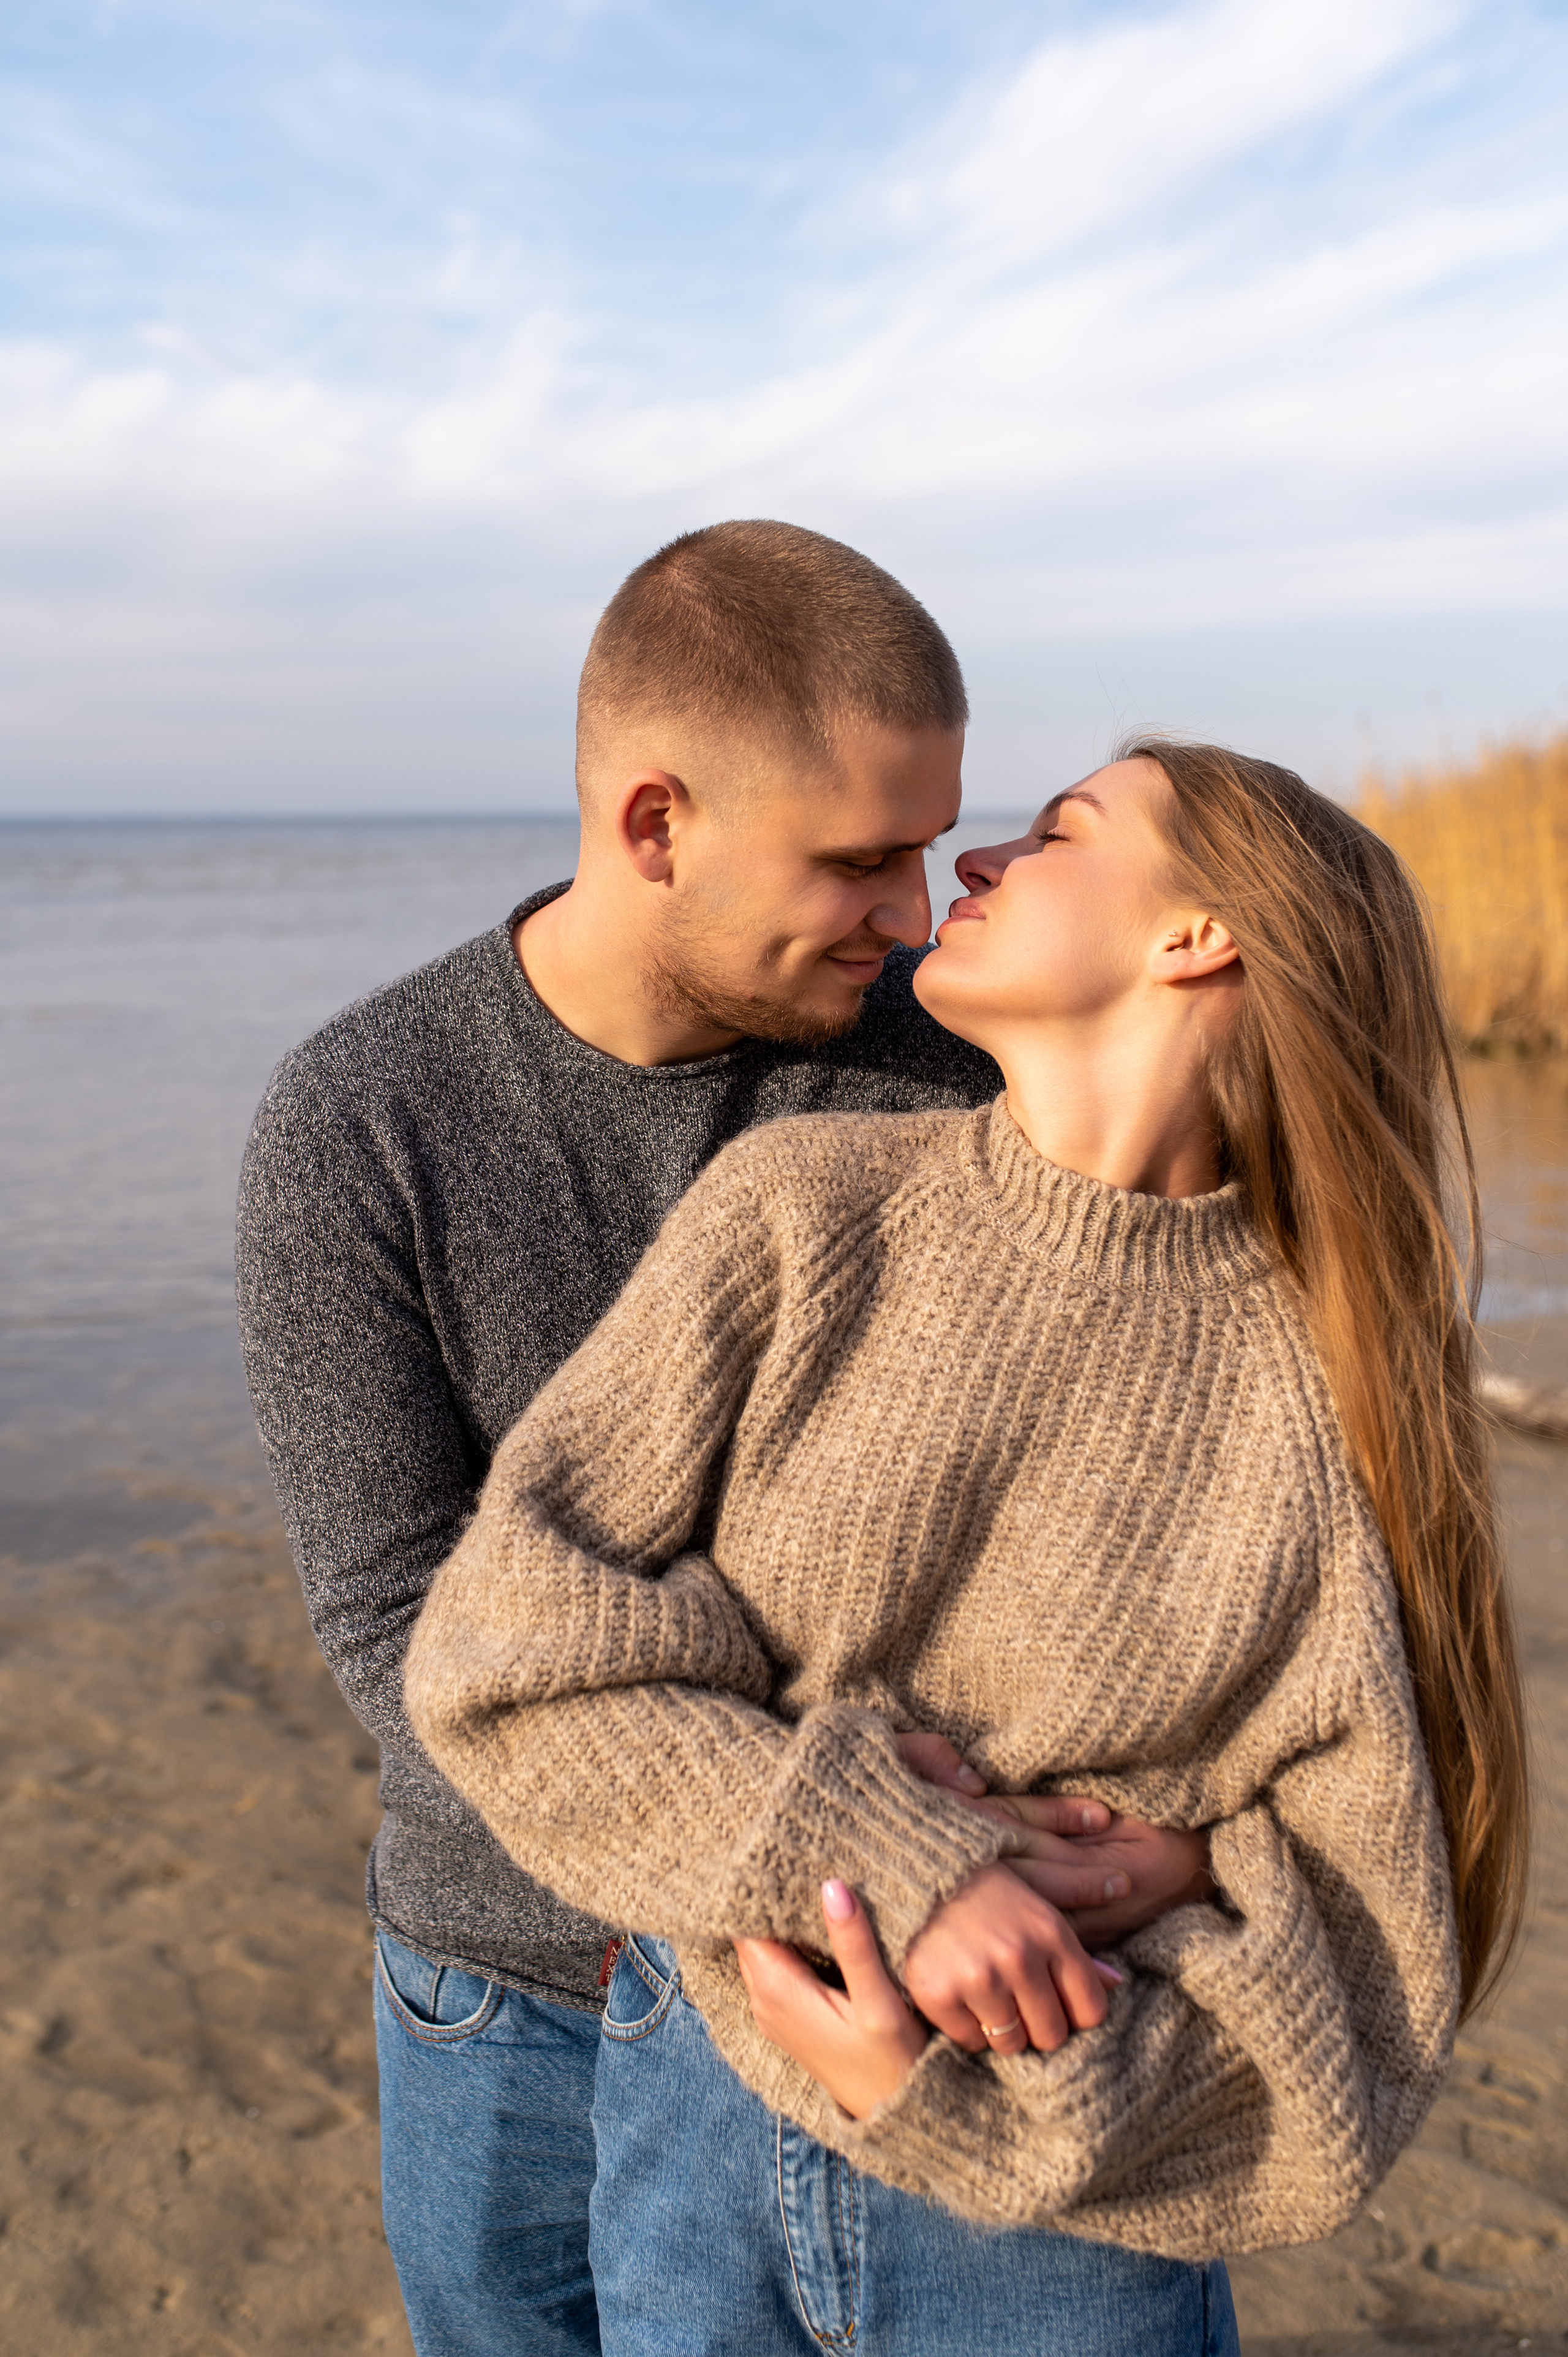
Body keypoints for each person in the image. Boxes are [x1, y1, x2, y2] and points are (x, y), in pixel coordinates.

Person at [405, 740, 1531, 2356]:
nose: (976, 864)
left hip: (1060, 2238)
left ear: (1199, 933)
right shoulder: (800, 1211)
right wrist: (902, 1863)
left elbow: (1366, 1962)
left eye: (1060, 830)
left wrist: (1007, 2079)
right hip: (702, 2118)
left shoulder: (1336, 1377)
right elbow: (504, 1655)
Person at [235, 521, 1204, 2357]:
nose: (915, 914)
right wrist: (841, 1841)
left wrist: (1133, 1851)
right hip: (511, 1986)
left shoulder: (952, 1066)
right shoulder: (358, 1127)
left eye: (930, 846)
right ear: (656, 823)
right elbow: (399, 1631)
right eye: (858, 861)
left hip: (893, 1973)